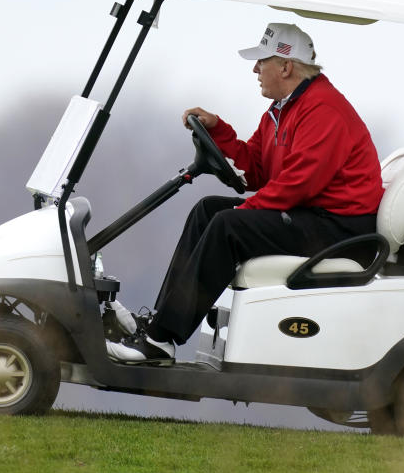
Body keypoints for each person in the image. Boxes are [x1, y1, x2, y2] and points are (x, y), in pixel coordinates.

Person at [107, 23, 384, 364]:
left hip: (341, 229)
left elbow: (299, 183)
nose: (255, 69)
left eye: (262, 61)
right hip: (312, 217)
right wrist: (218, 130)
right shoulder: (283, 110)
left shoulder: (323, 110)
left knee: (228, 225)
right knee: (208, 210)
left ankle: (161, 340)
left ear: (286, 66)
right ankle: (158, 325)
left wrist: (247, 211)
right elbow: (255, 169)